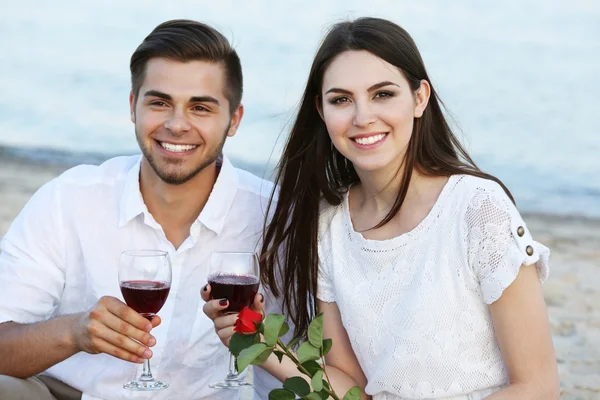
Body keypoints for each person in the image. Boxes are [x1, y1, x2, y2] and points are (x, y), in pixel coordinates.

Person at [203, 17, 560, 399]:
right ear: (322, 113)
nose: (362, 117)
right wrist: (260, 344)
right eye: (341, 100)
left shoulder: (477, 208)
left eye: (383, 94)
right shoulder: (329, 225)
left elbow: (537, 386)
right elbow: (355, 389)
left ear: (420, 98)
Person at [0, 19, 279, 400]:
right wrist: (75, 332)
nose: (177, 125)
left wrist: (259, 340)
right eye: (159, 102)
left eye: (200, 107)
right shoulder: (69, 198)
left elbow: (317, 365)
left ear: (234, 120)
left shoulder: (276, 217)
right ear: (133, 107)